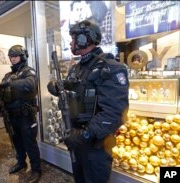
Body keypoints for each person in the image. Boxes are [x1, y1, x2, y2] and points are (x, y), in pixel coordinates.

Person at [47, 20, 129, 183]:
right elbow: (73, 90)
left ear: (85, 39)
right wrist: (57, 86)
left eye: (73, 38)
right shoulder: (77, 68)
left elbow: (115, 113)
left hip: (95, 148)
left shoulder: (111, 68)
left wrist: (83, 135)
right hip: (76, 142)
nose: (70, 43)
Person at [0, 45, 41, 183]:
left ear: (23, 56)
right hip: (11, 116)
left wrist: (10, 84)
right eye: (11, 57)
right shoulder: (8, 75)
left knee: (30, 144)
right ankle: (21, 162)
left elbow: (31, 86)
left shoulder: (29, 72)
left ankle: (36, 170)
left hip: (26, 116)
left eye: (15, 56)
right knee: (17, 142)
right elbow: (0, 92)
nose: (13, 59)